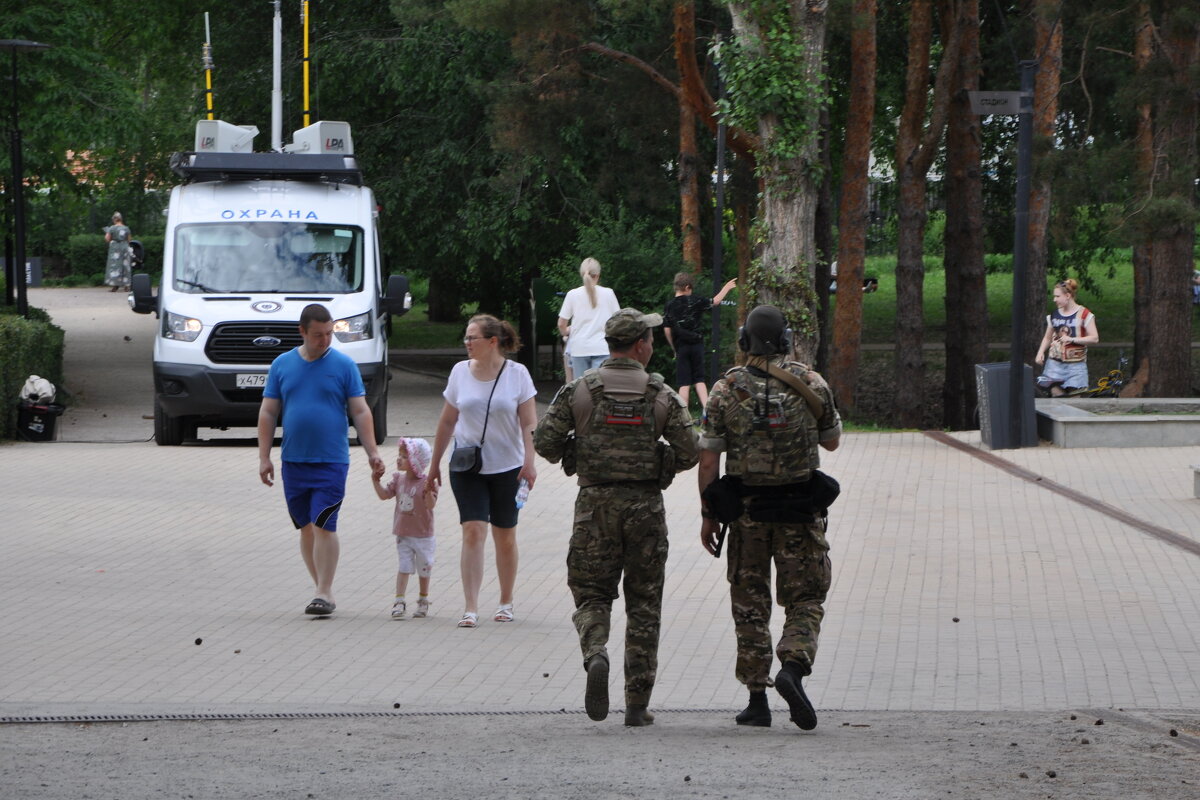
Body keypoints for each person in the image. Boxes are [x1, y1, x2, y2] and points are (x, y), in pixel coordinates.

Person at [533, 308, 699, 727]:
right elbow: (691, 451)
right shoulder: (661, 394)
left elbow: (545, 444)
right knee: (644, 605)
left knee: (591, 593)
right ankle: (637, 705)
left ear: (610, 345)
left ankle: (595, 653)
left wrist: (578, 449)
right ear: (641, 345)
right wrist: (661, 460)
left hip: (594, 508)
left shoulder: (580, 391)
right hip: (646, 509)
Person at [697, 304, 842, 731]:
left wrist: (709, 514)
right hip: (800, 511)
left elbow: (708, 460)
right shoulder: (810, 382)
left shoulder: (725, 389)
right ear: (786, 339)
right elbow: (831, 444)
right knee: (806, 597)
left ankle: (756, 699)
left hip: (747, 515)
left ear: (744, 341)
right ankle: (793, 667)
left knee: (750, 604)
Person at [257, 303, 385, 616]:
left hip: (331, 461)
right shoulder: (282, 365)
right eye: (318, 335)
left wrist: (372, 452)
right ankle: (321, 590)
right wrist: (264, 457)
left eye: (329, 334)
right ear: (302, 332)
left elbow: (360, 410)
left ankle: (324, 591)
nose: (324, 340)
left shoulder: (343, 366)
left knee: (324, 523)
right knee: (305, 526)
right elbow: (269, 411)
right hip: (294, 461)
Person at [428, 314, 538, 629]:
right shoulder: (459, 373)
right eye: (465, 337)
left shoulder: (518, 374)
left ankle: (505, 601)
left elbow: (529, 423)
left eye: (472, 338)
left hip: (508, 467)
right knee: (473, 530)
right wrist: (434, 465)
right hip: (466, 466)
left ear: (492, 342)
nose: (467, 343)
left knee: (504, 535)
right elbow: (447, 421)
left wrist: (530, 461)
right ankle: (471, 607)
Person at [372, 437, 438, 620]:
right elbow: (385, 495)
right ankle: (399, 601)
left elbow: (431, 505)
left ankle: (423, 600)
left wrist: (428, 492)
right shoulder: (399, 480)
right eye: (399, 455)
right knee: (404, 567)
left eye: (404, 456)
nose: (399, 459)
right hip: (403, 534)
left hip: (424, 535)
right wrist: (376, 482)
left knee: (424, 568)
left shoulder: (427, 481)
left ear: (416, 461)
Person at [662, 272, 737, 417]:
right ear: (688, 287)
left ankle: (684, 414)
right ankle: (707, 411)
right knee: (699, 379)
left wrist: (674, 347)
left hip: (681, 346)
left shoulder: (670, 306)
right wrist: (726, 287)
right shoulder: (695, 301)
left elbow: (666, 330)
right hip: (697, 344)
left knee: (684, 383)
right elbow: (714, 301)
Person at [1035, 278, 1099, 396]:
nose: (1054, 300)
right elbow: (1047, 337)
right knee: (1057, 400)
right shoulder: (1054, 315)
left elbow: (1094, 338)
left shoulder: (1084, 315)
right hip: (1054, 365)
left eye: (1057, 296)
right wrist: (1040, 352)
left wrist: (1072, 339)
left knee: (1075, 402)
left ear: (1068, 295)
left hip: (1076, 366)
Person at [557, 257, 621, 377]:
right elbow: (618, 320)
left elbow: (561, 323)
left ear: (581, 274)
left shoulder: (572, 294)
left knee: (582, 388)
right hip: (603, 348)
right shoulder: (608, 293)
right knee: (600, 390)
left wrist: (566, 331)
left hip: (579, 349)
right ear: (598, 275)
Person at [103, 212, 132, 292]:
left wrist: (108, 234)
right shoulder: (126, 228)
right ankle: (127, 286)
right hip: (124, 247)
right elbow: (129, 239)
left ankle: (115, 285)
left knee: (115, 266)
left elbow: (107, 239)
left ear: (114, 219)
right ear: (121, 219)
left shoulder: (112, 228)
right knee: (125, 265)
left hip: (115, 249)